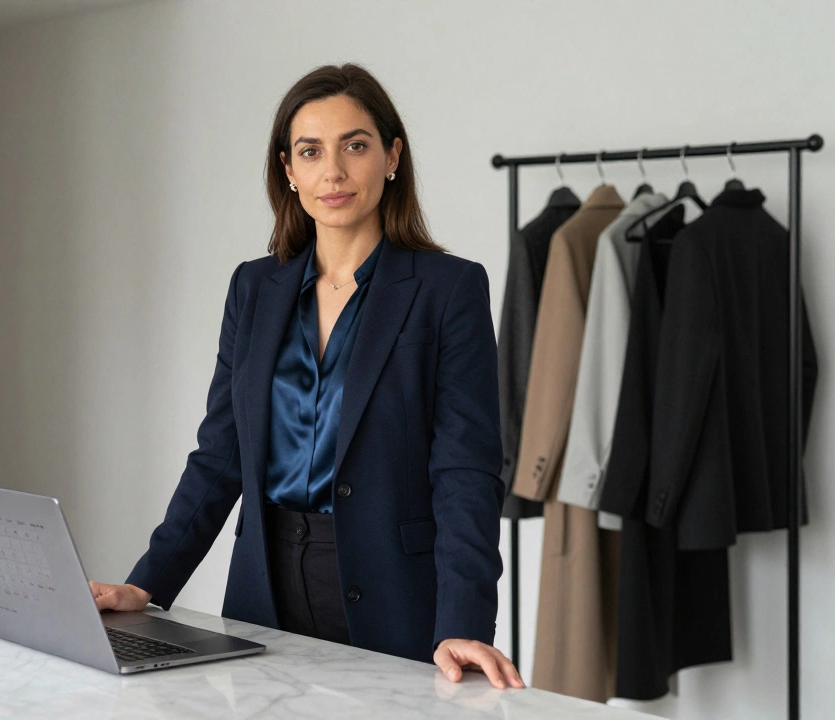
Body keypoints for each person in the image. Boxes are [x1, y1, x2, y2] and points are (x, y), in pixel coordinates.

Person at [89, 63, 523, 690]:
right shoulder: (254, 289)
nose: (334, 172)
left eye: (355, 145)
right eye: (311, 152)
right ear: (288, 171)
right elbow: (219, 457)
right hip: (264, 585)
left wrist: (465, 622)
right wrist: (147, 583)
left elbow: (466, 472)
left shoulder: (447, 290)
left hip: (395, 594)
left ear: (392, 156)